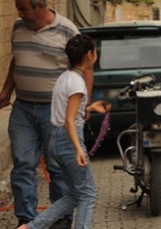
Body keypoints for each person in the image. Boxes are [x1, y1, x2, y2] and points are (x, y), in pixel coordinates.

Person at [0, 0, 87, 229]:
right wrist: (6, 90)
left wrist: (81, 106)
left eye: (24, 9)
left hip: (54, 111)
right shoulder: (18, 27)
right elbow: (18, 60)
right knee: (22, 163)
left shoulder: (66, 30)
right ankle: (26, 219)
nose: (21, 14)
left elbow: (85, 67)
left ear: (40, 7)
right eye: (19, 10)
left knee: (57, 166)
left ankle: (60, 218)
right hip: (23, 108)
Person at [18, 35, 110, 229]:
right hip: (69, 140)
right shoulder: (77, 83)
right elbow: (69, 120)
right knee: (87, 195)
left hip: (55, 139)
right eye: (94, 51)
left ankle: (29, 227)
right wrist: (78, 149)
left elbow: (68, 113)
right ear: (89, 54)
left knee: (75, 195)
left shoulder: (64, 77)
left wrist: (91, 108)